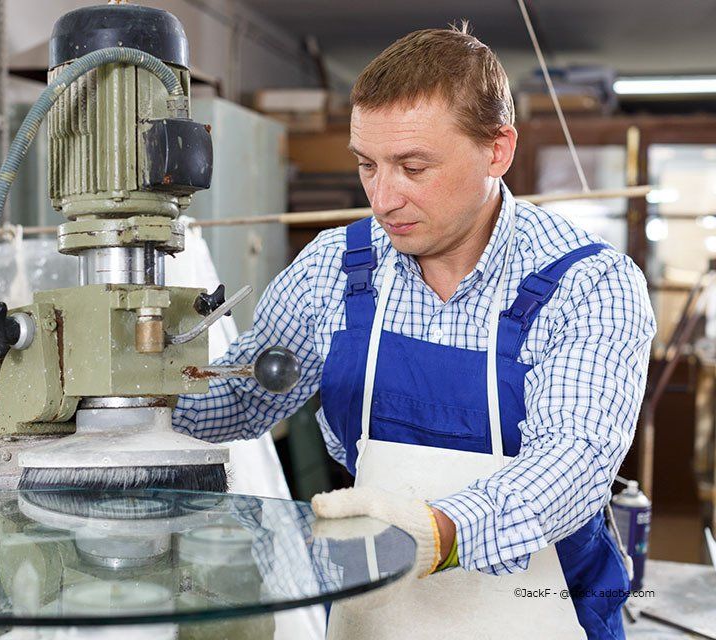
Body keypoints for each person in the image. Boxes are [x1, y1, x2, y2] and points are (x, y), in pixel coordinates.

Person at [173, 23, 655, 640]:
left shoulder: (589, 285)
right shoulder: (335, 269)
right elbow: (240, 398)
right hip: (377, 609)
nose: (383, 197)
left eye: (413, 166)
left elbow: (572, 464)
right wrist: (114, 412)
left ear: (497, 151)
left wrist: (438, 534)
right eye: (367, 165)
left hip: (543, 609)